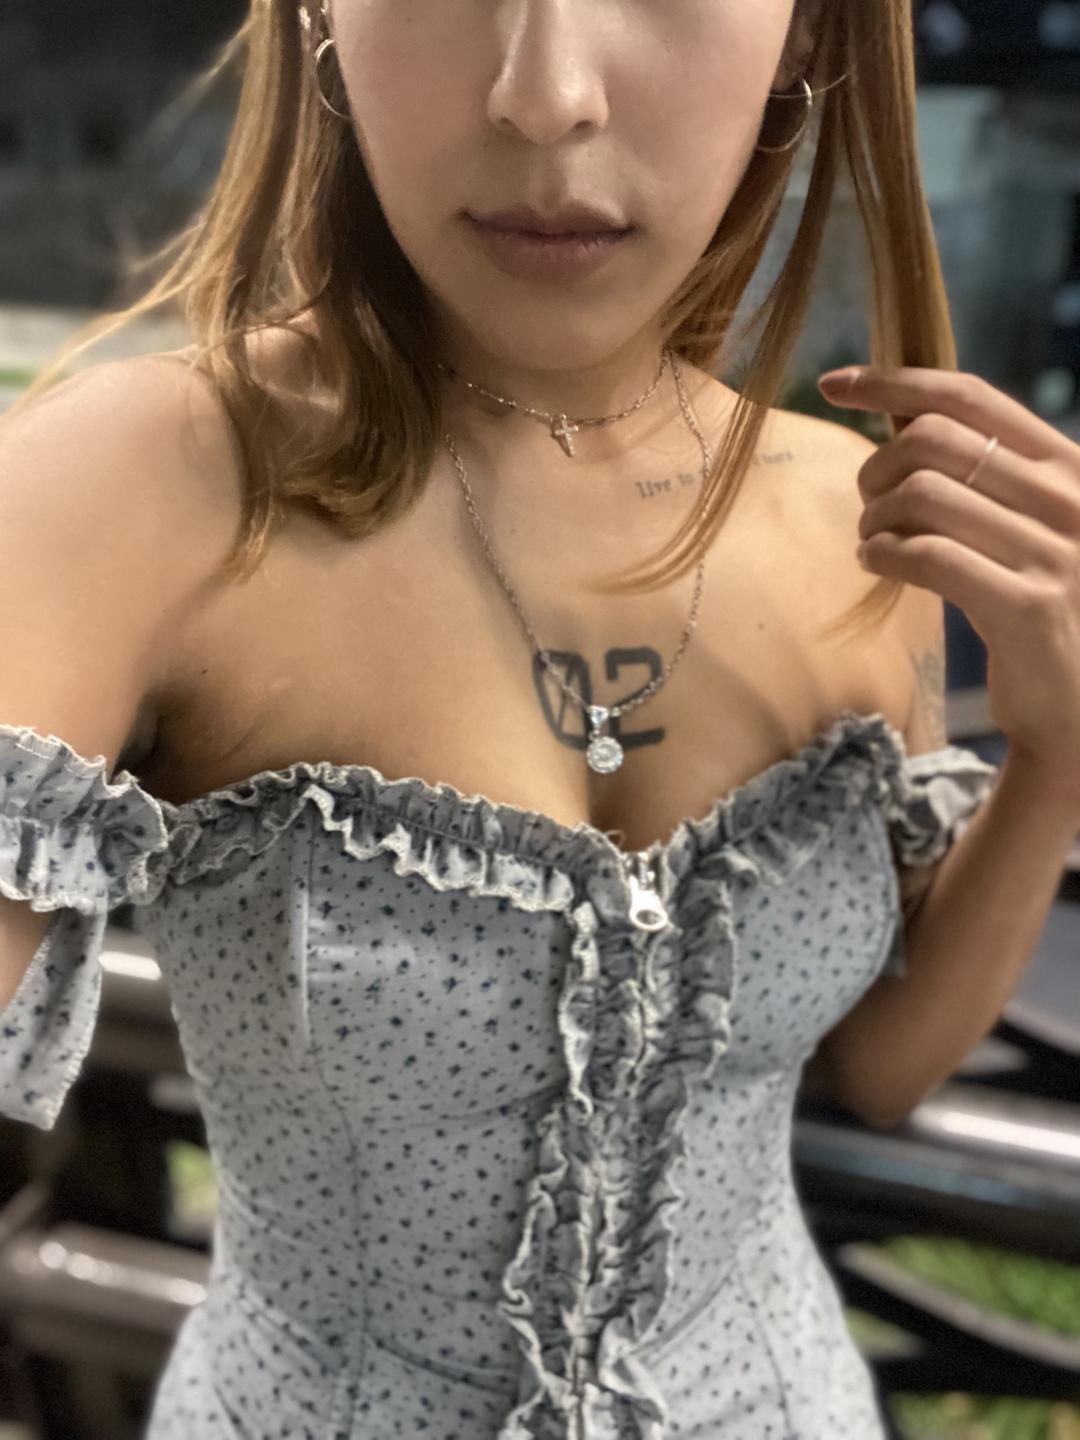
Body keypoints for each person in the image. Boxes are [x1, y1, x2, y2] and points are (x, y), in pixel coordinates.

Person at [0, 1, 1004, 1435]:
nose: (547, 93)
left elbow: (886, 1068)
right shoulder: (139, 489)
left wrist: (1059, 749)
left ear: (803, 32)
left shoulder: (854, 516)